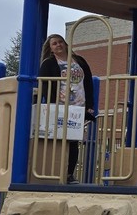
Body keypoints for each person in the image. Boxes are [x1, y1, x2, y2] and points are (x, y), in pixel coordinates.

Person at [38, 33, 95, 184]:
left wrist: (90, 105)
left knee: (73, 140)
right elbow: (45, 85)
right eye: (54, 43)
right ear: (50, 49)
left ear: (65, 44)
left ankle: (69, 174)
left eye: (60, 42)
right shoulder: (49, 63)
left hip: (78, 106)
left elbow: (88, 83)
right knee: (58, 139)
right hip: (60, 106)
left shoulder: (79, 61)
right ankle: (55, 171)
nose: (58, 45)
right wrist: (52, 103)